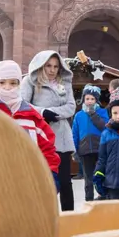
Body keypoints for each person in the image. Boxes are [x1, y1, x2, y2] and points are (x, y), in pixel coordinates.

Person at [21, 52, 77, 211]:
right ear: (41, 65)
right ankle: (43, 217)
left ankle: (69, 218)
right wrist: (43, 112)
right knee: (44, 181)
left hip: (62, 138)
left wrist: (53, 113)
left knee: (65, 182)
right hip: (40, 137)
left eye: (56, 66)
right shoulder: (30, 82)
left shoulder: (64, 84)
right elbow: (23, 104)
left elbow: (71, 107)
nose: (52, 70)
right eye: (48, 66)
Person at [0, 60, 59, 178]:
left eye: (13, 83)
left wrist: (50, 175)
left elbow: (47, 149)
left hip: (27, 179)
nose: (7, 87)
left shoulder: (31, 116)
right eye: (2, 82)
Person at [72, 84, 108, 203]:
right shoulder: (79, 115)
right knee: (88, 178)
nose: (89, 101)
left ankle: (103, 196)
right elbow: (75, 134)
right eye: (87, 99)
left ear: (96, 100)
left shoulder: (102, 112)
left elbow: (105, 127)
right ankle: (89, 200)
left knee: (101, 174)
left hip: (100, 149)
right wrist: (75, 150)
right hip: (85, 150)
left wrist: (93, 114)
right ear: (83, 99)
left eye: (92, 99)